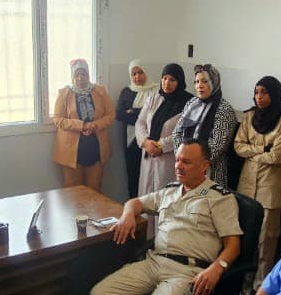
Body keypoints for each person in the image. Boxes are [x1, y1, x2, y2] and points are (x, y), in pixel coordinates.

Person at [91, 140, 242, 295]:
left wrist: (217, 268)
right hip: (154, 262)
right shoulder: (169, 191)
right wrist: (127, 216)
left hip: (186, 272)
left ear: (204, 166)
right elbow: (134, 203)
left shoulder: (219, 198)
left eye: (186, 162)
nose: (178, 166)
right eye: (178, 160)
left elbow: (233, 245)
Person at [233, 76, 281, 286]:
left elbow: (277, 156)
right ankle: (242, 279)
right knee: (244, 232)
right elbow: (238, 146)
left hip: (270, 187)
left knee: (266, 238)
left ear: (275, 94)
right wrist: (261, 149)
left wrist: (251, 153)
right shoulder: (249, 116)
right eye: (257, 92)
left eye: (264, 92)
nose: (259, 97)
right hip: (247, 183)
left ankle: (260, 283)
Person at [52, 58, 115, 192]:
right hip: (71, 150)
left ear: (88, 75)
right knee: (72, 190)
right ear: (72, 76)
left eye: (83, 74)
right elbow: (58, 119)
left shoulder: (100, 91)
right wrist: (82, 125)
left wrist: (95, 125)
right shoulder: (64, 93)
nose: (80, 78)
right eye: (76, 75)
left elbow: (110, 115)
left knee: (94, 188)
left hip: (95, 147)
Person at [171, 64, 239, 187]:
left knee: (206, 198)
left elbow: (218, 146)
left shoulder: (224, 110)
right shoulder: (192, 104)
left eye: (205, 81)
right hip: (186, 168)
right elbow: (177, 133)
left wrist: (194, 163)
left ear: (214, 82)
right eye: (197, 82)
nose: (200, 85)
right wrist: (182, 157)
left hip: (211, 170)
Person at [135, 63, 192, 194]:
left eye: (172, 80)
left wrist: (160, 146)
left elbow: (184, 132)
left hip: (168, 158)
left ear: (179, 82)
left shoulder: (189, 103)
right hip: (148, 154)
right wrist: (145, 142)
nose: (167, 83)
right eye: (164, 78)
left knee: (166, 195)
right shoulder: (154, 97)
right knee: (146, 196)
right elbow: (140, 122)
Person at [115, 60, 156, 199]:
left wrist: (133, 111)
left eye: (140, 72)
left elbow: (154, 115)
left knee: (150, 177)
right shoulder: (127, 91)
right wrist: (142, 114)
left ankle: (148, 208)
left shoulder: (156, 90)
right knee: (133, 176)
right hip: (131, 141)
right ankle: (134, 207)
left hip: (151, 140)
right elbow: (119, 115)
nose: (137, 77)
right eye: (134, 74)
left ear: (146, 72)